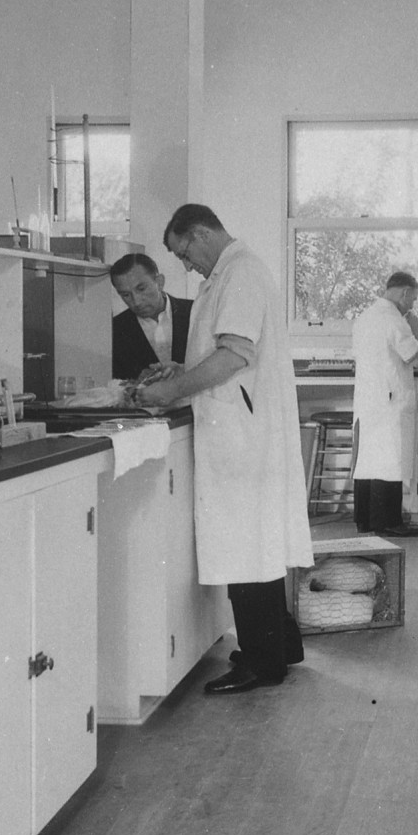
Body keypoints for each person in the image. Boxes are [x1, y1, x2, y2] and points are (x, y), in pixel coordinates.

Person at [136, 204, 314, 695]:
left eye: (183, 252)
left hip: (243, 435)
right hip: (237, 428)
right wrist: (183, 371)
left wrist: (173, 391)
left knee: (246, 546)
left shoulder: (241, 272)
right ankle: (280, 646)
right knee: (253, 544)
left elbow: (235, 354)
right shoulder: (229, 274)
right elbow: (218, 353)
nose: (185, 265)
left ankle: (264, 663)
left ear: (200, 233)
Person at [351, 271, 418, 537]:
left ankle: (364, 520)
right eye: (413, 298)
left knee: (367, 460)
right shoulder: (395, 320)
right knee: (391, 460)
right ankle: (390, 521)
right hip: (390, 399)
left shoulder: (365, 317)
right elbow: (416, 358)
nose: (412, 305)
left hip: (367, 399)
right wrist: (417, 331)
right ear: (404, 292)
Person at [109, 252, 193, 382]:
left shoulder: (195, 311)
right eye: (126, 295)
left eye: (141, 289)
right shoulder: (115, 330)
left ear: (159, 282)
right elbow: (116, 384)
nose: (136, 301)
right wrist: (136, 382)